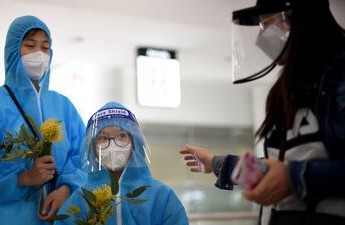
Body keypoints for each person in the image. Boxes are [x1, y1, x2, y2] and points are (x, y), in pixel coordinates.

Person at [180, 0, 345, 224]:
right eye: (260, 26)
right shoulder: (286, 90)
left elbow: (287, 172)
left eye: (267, 22)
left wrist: (293, 178)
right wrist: (215, 163)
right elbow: (276, 166)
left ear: (299, 16)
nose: (262, 36)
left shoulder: (339, 76)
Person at [0, 15, 87, 224]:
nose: (39, 54)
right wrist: (24, 177)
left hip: (61, 217)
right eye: (30, 45)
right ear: (13, 51)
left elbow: (84, 158)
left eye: (45, 47)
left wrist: (67, 189)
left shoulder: (64, 108)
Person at [55, 102, 189, 225]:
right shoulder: (82, 199)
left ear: (134, 142)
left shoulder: (162, 197)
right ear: (92, 147)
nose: (113, 144)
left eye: (121, 136)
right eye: (103, 138)